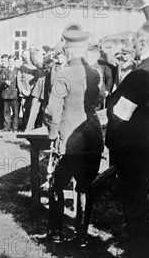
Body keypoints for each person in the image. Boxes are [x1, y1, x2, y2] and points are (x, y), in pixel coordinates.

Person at [106, 19, 149, 258]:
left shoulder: (142, 73)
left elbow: (120, 115)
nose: (131, 46)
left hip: (135, 153)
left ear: (143, 42)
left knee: (135, 211)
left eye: (134, 41)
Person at [45, 29, 103, 246]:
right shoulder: (95, 73)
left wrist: (52, 135)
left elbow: (52, 111)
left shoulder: (63, 75)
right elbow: (98, 100)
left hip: (69, 142)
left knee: (57, 184)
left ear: (68, 50)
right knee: (85, 186)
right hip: (93, 138)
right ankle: (82, 235)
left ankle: (56, 233)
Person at [1, 57, 20, 131]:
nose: (10, 63)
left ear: (14, 62)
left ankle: (15, 127)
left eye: (12, 61)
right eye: (9, 61)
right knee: (6, 112)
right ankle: (6, 127)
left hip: (14, 94)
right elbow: (0, 80)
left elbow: (19, 81)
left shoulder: (17, 70)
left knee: (15, 112)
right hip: (6, 93)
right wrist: (5, 82)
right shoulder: (4, 70)